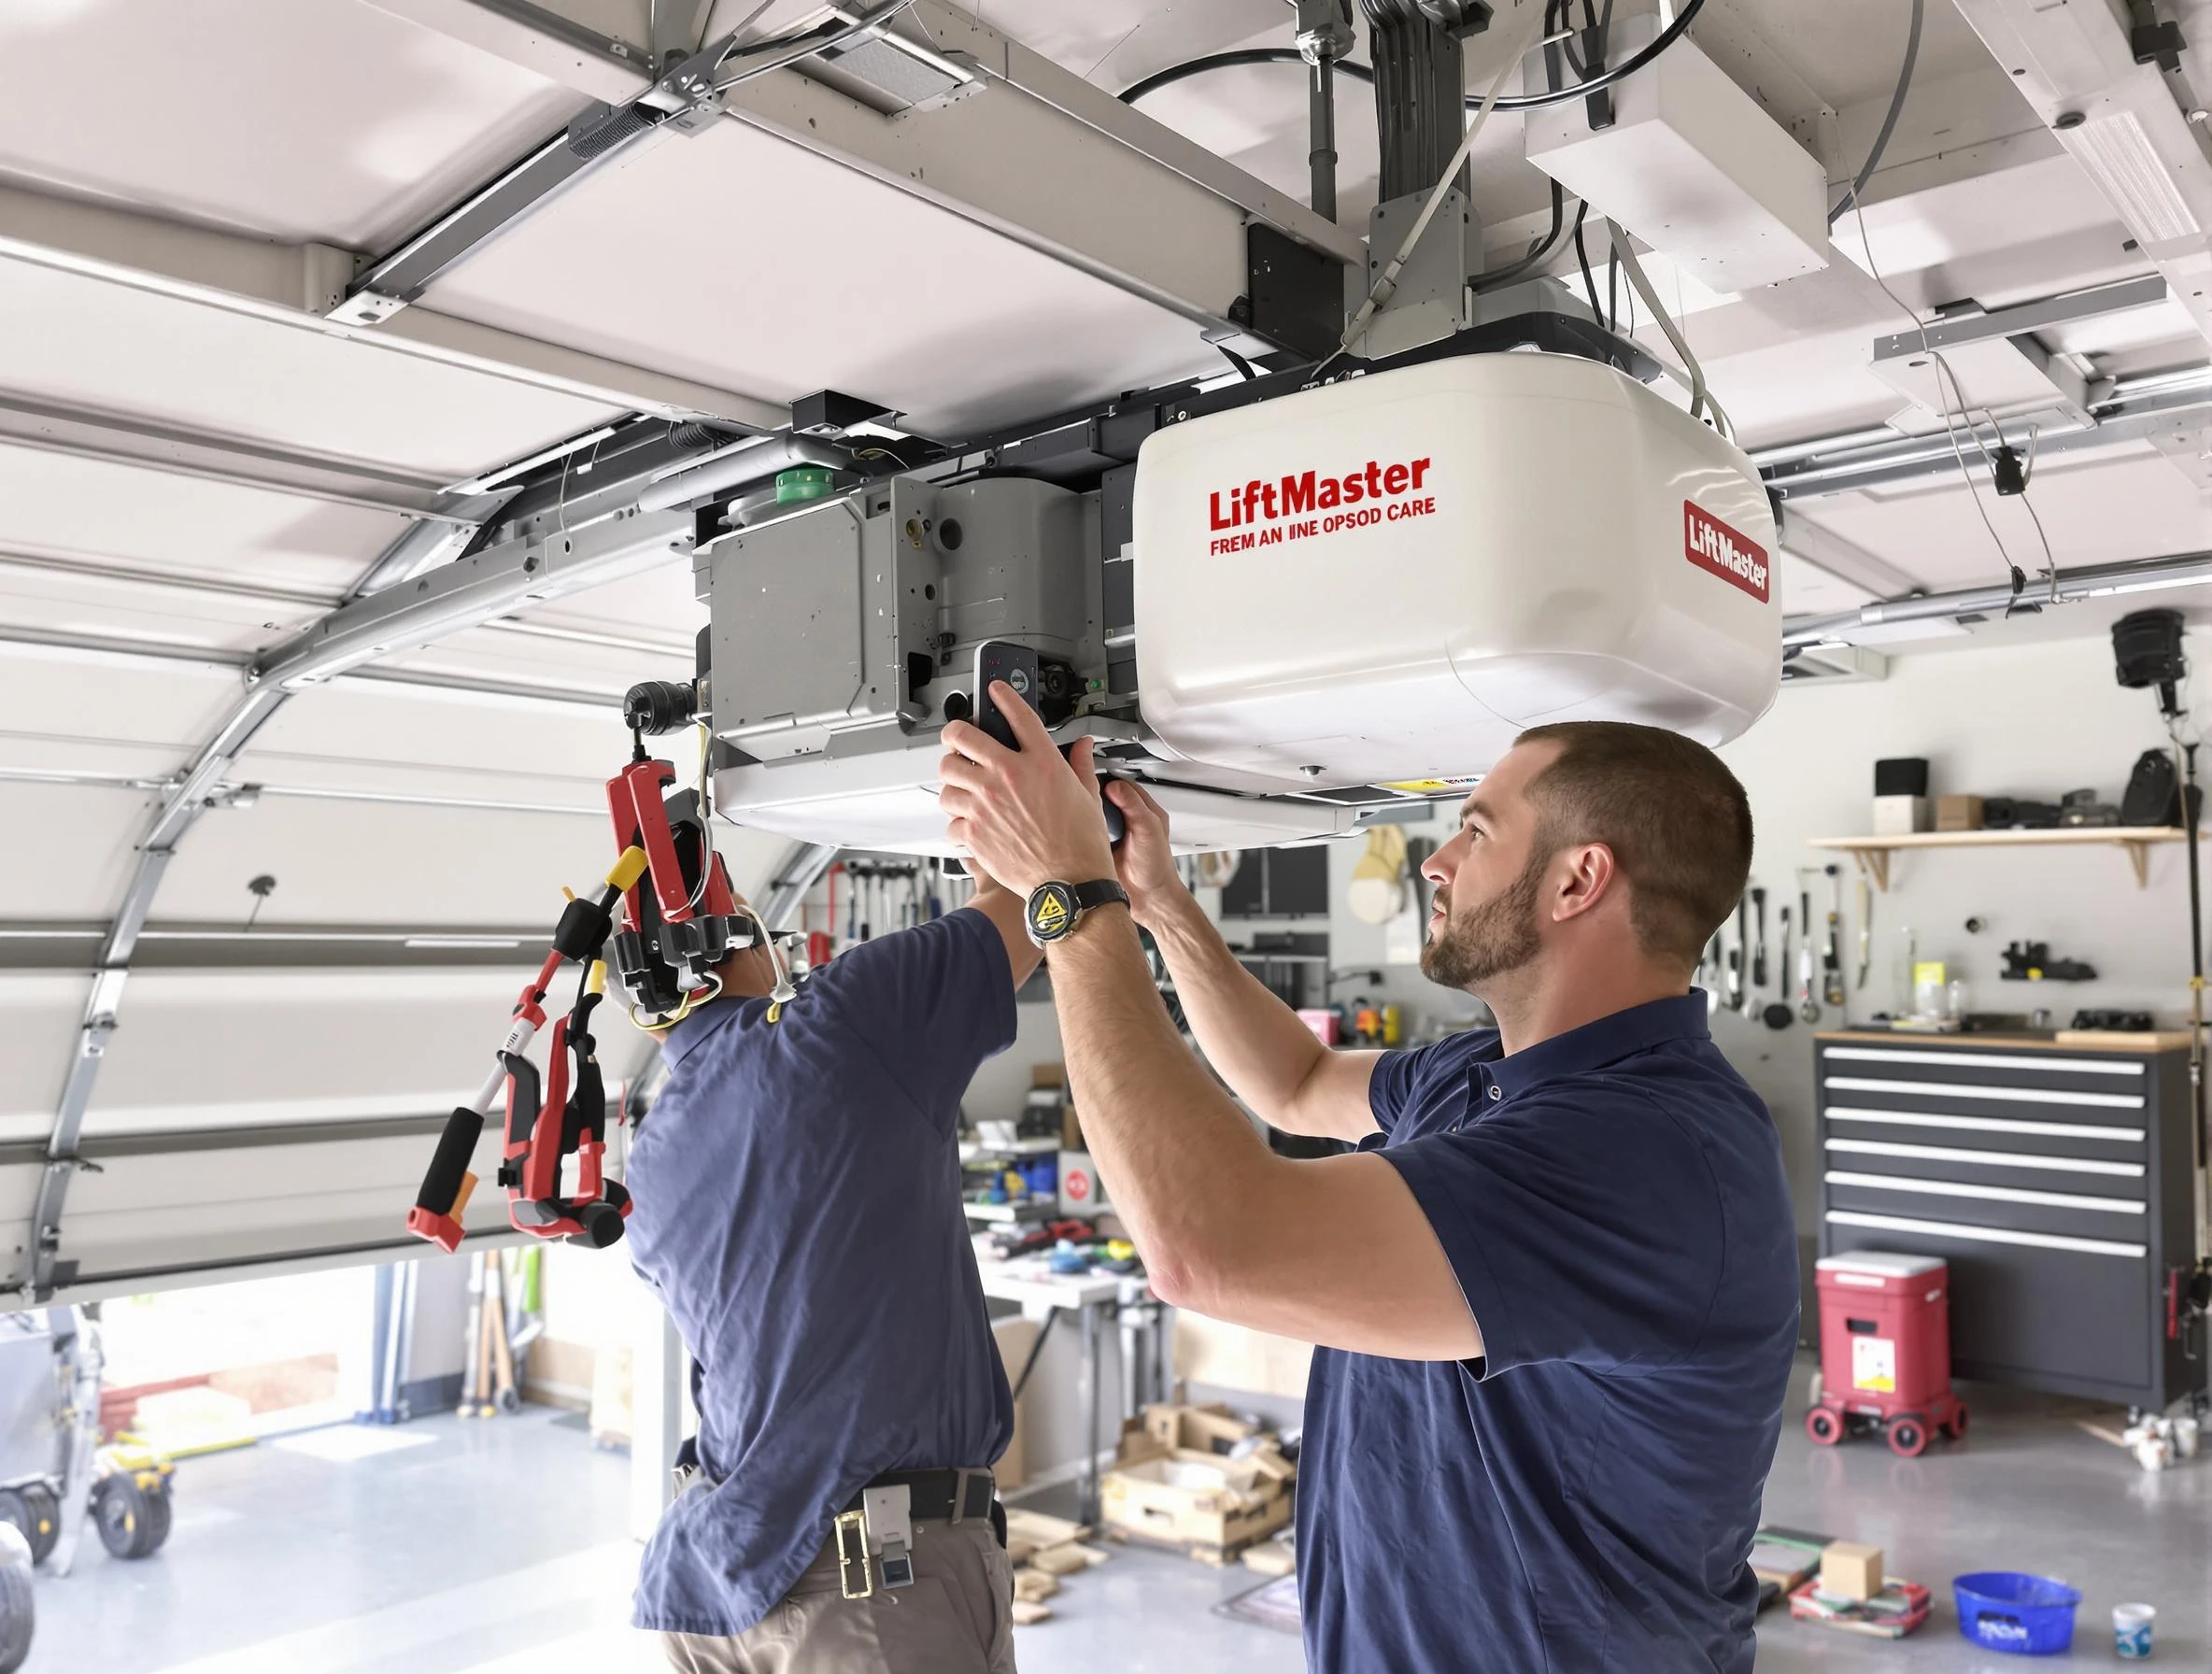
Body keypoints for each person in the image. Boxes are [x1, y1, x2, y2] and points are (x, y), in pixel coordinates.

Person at [939, 698, 1799, 1674]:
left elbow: (1207, 1245)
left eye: (1475, 830)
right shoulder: (1480, 1074)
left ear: (1577, 879)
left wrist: (1071, 898)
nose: (1435, 861)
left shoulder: (1644, 1152)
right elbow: (1293, 1083)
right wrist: (1157, 904)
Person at [622, 870, 1039, 1674]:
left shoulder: (650, 1160)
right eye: (749, 916)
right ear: (722, 944)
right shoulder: (845, 1023)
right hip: (866, 1597)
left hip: (714, 1581)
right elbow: (1039, 894)